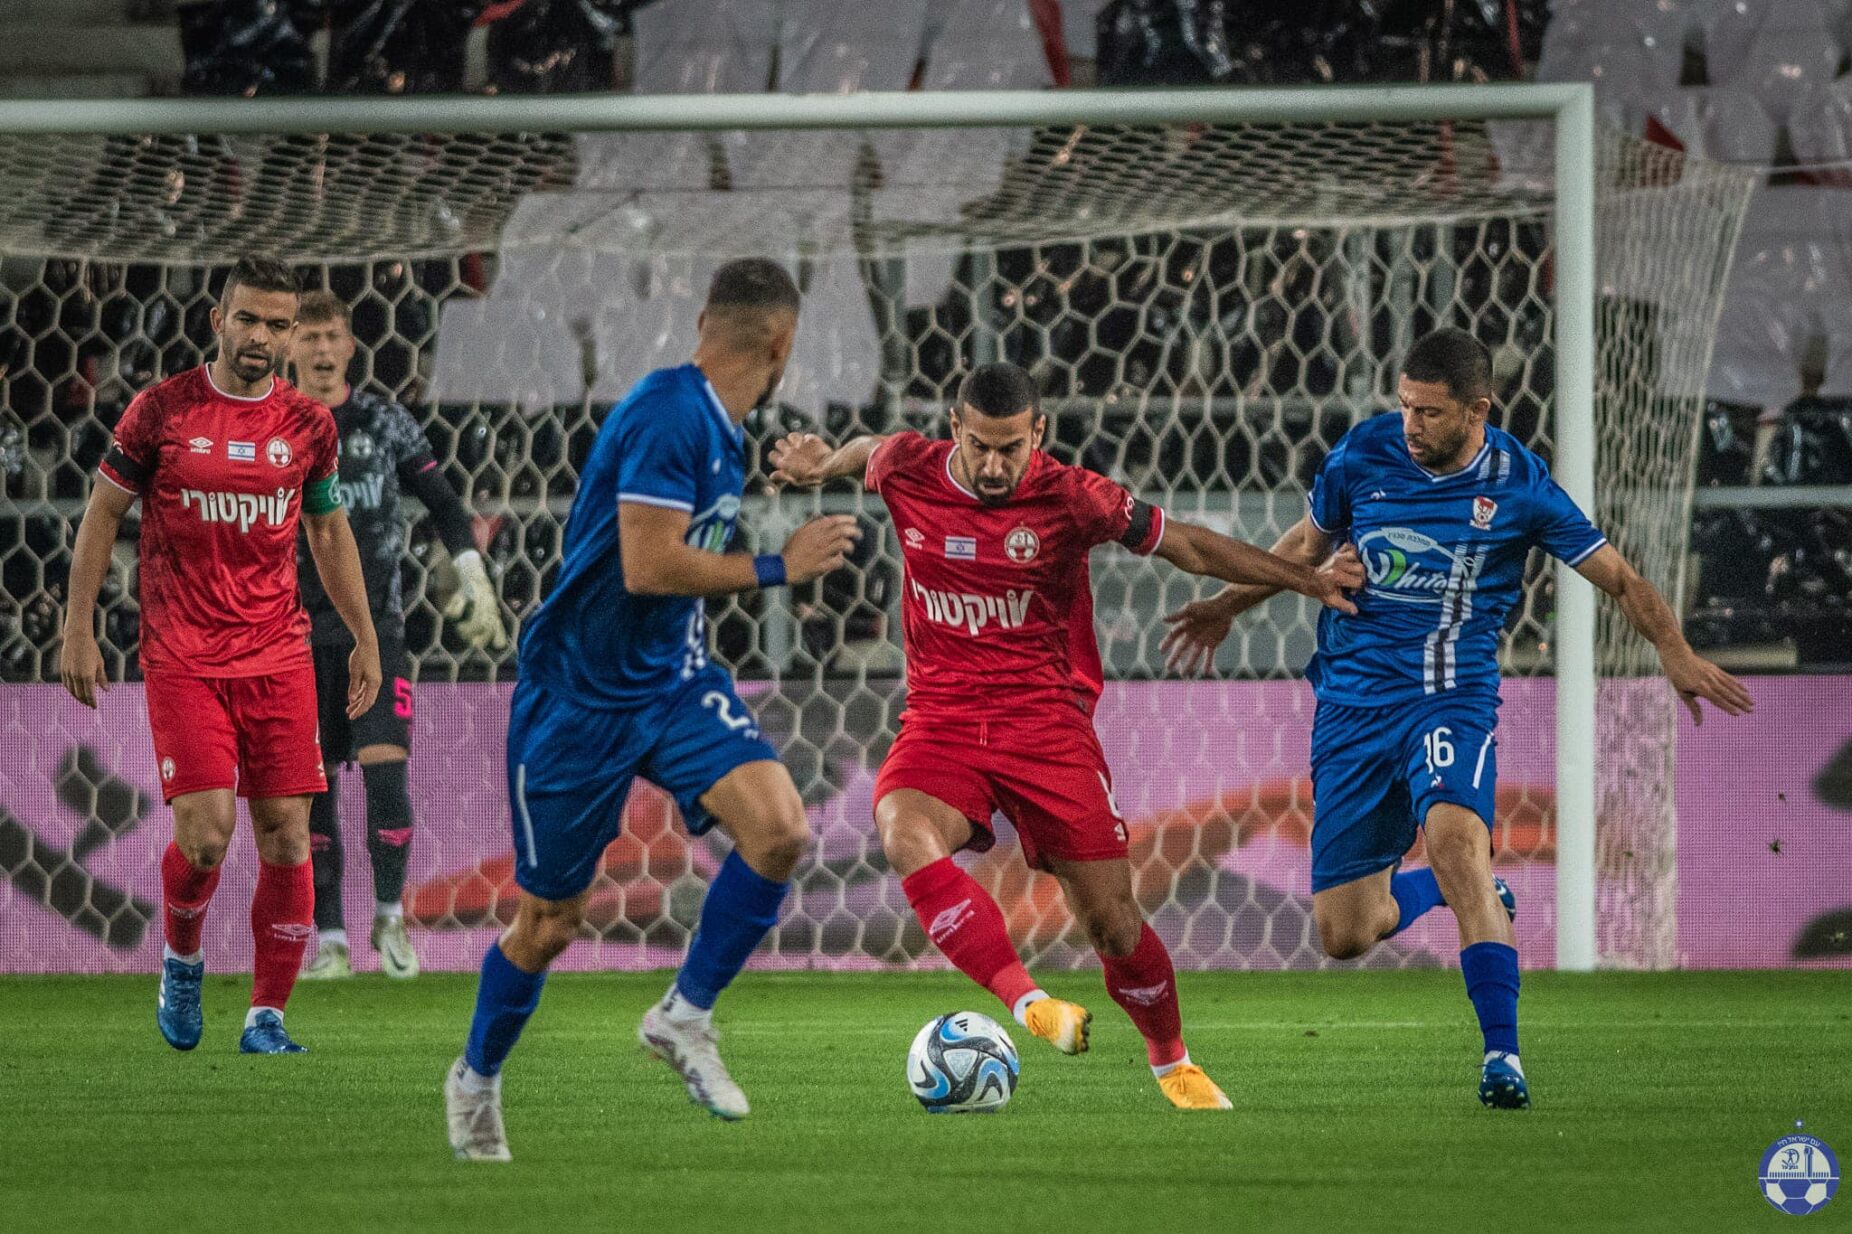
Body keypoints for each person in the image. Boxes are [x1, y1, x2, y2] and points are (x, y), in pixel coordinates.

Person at [1160, 328, 1755, 1109]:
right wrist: (1226, 607)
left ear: (1480, 409)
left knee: (1455, 841)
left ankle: (1502, 1058)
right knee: (1344, 933)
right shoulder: (1364, 454)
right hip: (1350, 704)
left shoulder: (1520, 485)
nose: (1412, 425)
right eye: (1405, 407)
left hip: (1450, 696)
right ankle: (1440, 891)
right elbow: (1305, 542)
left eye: (1431, 413)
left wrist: (1672, 648)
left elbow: (1619, 577)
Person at [767, 361, 1364, 1110]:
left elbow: (1185, 544)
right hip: (943, 721)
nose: (993, 464)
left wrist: (1304, 580)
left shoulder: (1071, 496)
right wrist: (824, 462)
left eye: (1010, 447)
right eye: (980, 445)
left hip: (1046, 725)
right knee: (901, 826)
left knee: (1113, 924)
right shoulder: (908, 467)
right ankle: (1027, 1004)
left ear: (1038, 433)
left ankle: (1171, 1060)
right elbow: (868, 448)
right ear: (954, 428)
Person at [445, 258, 860, 1160]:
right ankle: (476, 1077)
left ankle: (684, 1017)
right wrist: (779, 566)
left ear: (708, 317)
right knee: (553, 920)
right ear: (783, 342)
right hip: (577, 700)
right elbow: (649, 564)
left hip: (672, 679)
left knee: (780, 831)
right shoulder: (671, 415)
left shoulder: (721, 428)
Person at [58, 254, 382, 1055]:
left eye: (280, 325)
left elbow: (328, 530)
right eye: (250, 320)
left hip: (278, 654)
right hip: (183, 653)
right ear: (218, 318)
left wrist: (366, 634)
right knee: (206, 837)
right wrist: (78, 625)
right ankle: (183, 959)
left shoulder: (309, 426)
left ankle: (266, 1015)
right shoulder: (160, 410)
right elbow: (102, 514)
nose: (263, 337)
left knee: (286, 835)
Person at [288, 290, 507, 982]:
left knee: (386, 777)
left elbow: (443, 503)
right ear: (291, 347)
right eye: (310, 336)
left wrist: (471, 569)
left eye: (333, 336)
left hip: (375, 630)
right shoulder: (274, 427)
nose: (322, 350)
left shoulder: (384, 421)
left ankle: (389, 922)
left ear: (351, 346)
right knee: (312, 791)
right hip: (292, 632)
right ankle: (328, 937)